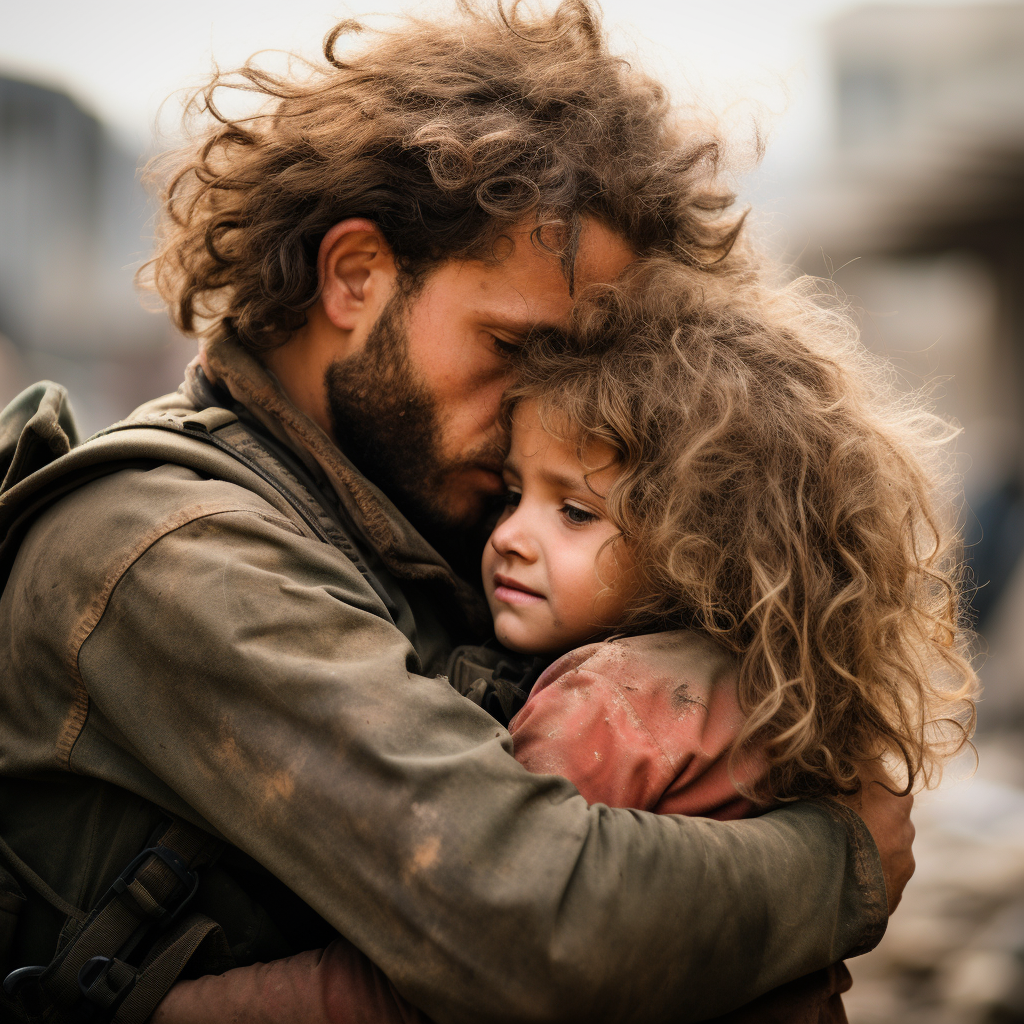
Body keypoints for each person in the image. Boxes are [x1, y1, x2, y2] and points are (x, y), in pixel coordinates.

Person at [0, 5, 917, 1023]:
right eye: (512, 348)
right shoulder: (171, 549)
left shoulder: (403, 519)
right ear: (356, 276)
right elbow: (525, 921)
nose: (531, 412)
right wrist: (837, 864)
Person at [149, 261, 976, 1024]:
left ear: (707, 541)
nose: (509, 535)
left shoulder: (612, 704)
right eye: (514, 494)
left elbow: (450, 966)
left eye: (575, 512)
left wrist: (187, 1011)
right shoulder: (773, 690)